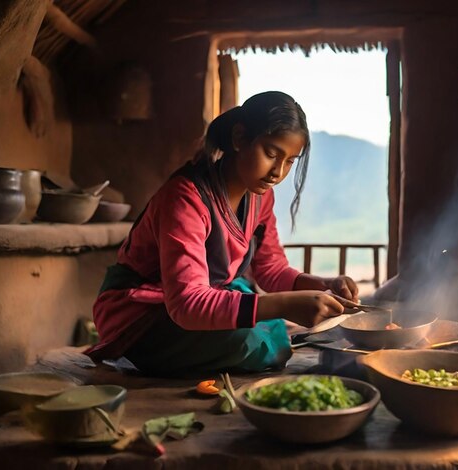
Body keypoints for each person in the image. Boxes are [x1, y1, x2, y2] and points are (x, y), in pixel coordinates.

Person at [86, 91, 359, 377]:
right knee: (251, 340)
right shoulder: (185, 199)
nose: (277, 172)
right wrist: (283, 303)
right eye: (271, 153)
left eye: (290, 160)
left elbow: (271, 269)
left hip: (191, 305)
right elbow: (187, 303)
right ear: (240, 138)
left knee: (274, 329)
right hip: (143, 314)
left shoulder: (261, 198)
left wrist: (322, 285)